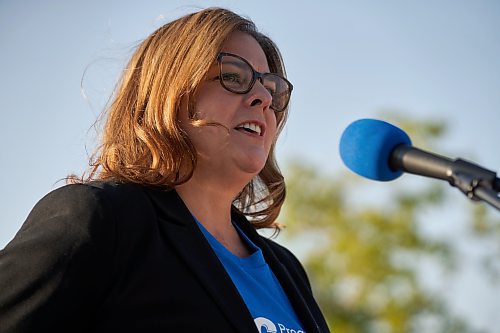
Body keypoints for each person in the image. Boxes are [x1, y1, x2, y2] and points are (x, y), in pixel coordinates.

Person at [0, 7, 329, 332]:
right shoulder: (101, 220)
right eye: (232, 76)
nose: (263, 97)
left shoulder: (286, 270)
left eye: (271, 88)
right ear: (167, 95)